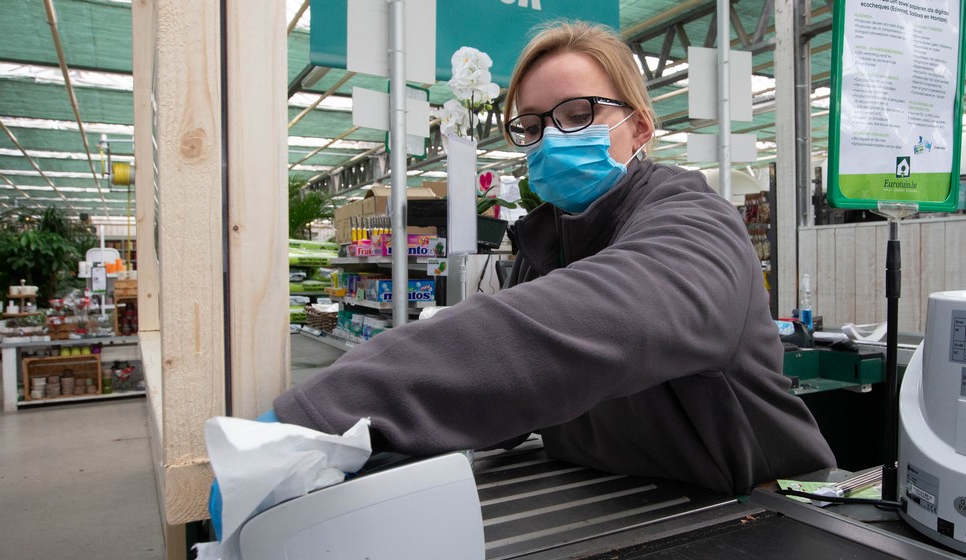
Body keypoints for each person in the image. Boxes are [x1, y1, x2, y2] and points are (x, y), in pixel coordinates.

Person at [272, 21, 835, 496]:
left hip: (760, 509)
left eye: (579, 113)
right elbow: (515, 389)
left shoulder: (696, 226)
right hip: (623, 500)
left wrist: (325, 413)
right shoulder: (546, 244)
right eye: (533, 125)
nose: (551, 139)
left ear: (640, 126)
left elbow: (563, 329)